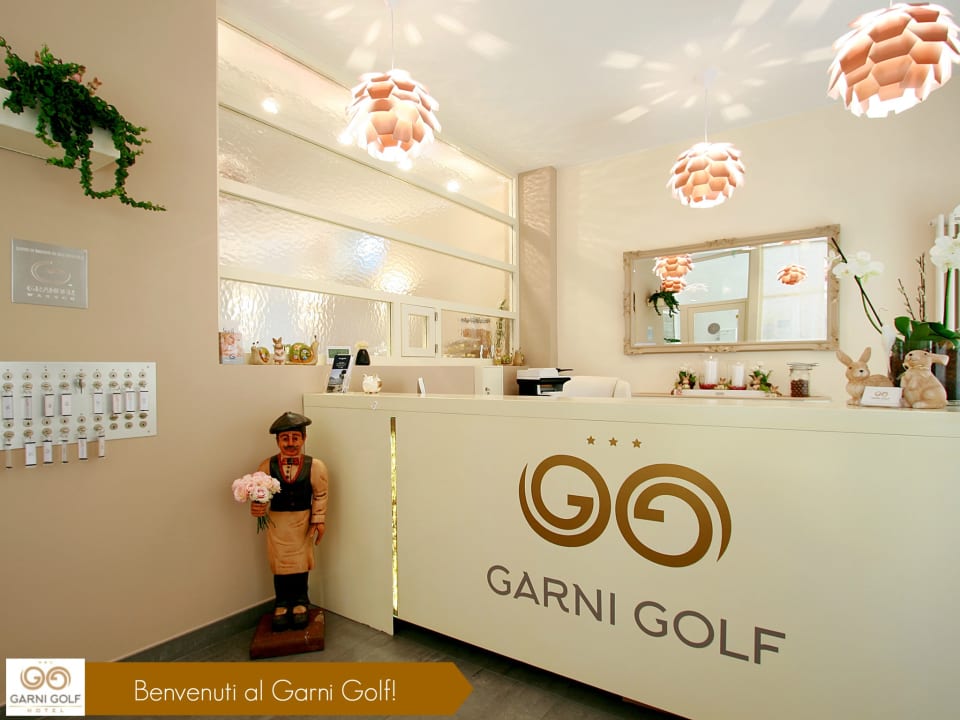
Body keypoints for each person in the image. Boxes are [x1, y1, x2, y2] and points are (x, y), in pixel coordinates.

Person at [251, 411, 328, 632]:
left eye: (295, 437)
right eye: (285, 438)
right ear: (278, 441)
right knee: (280, 564)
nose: (291, 443)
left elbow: (321, 494)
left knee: (301, 564)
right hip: (277, 523)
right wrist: (258, 506)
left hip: (302, 522)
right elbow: (260, 494)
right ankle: (282, 603)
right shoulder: (267, 466)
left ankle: (301, 602)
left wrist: (318, 520)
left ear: (304, 439)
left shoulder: (315, 466)